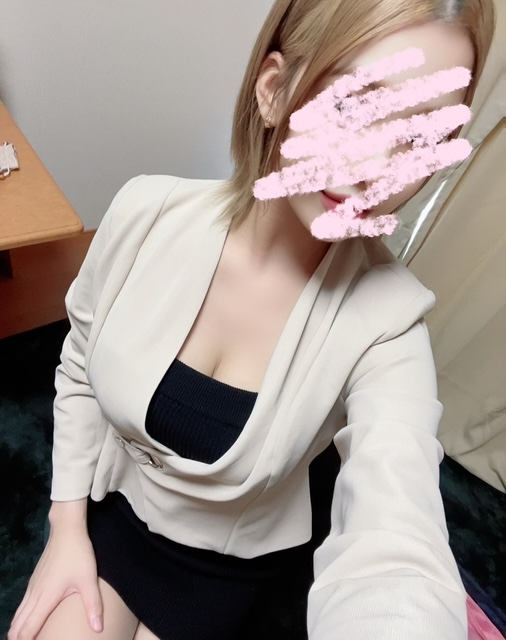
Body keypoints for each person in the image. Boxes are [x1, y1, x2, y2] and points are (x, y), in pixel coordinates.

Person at [8, 0, 496, 639]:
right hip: (114, 508)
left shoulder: (391, 324)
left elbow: (398, 527)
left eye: (421, 139)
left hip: (223, 566)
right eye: (355, 107)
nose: (376, 172)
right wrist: (65, 528)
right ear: (273, 90)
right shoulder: (143, 213)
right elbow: (77, 364)